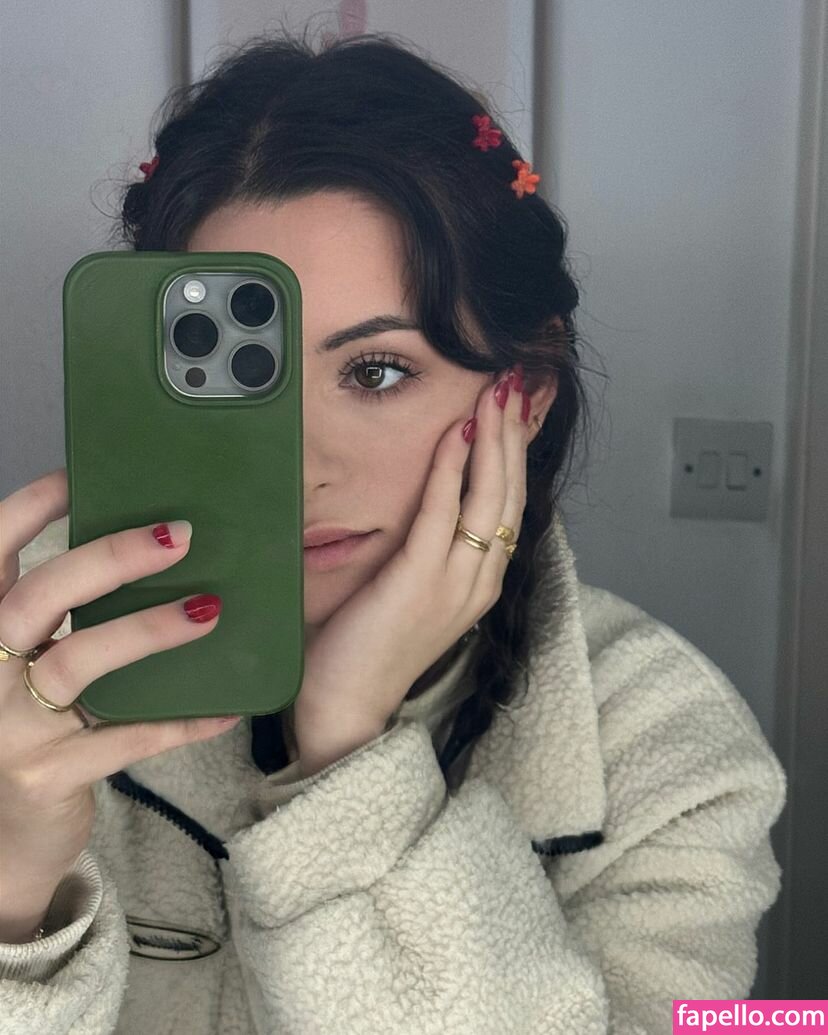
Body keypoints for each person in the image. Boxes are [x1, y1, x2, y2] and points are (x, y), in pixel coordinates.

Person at [0, 30, 786, 1034]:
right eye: (239, 385)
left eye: (376, 372)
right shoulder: (32, 664)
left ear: (526, 395)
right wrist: (13, 886)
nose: (298, 467)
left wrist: (348, 751)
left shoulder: (665, 748)